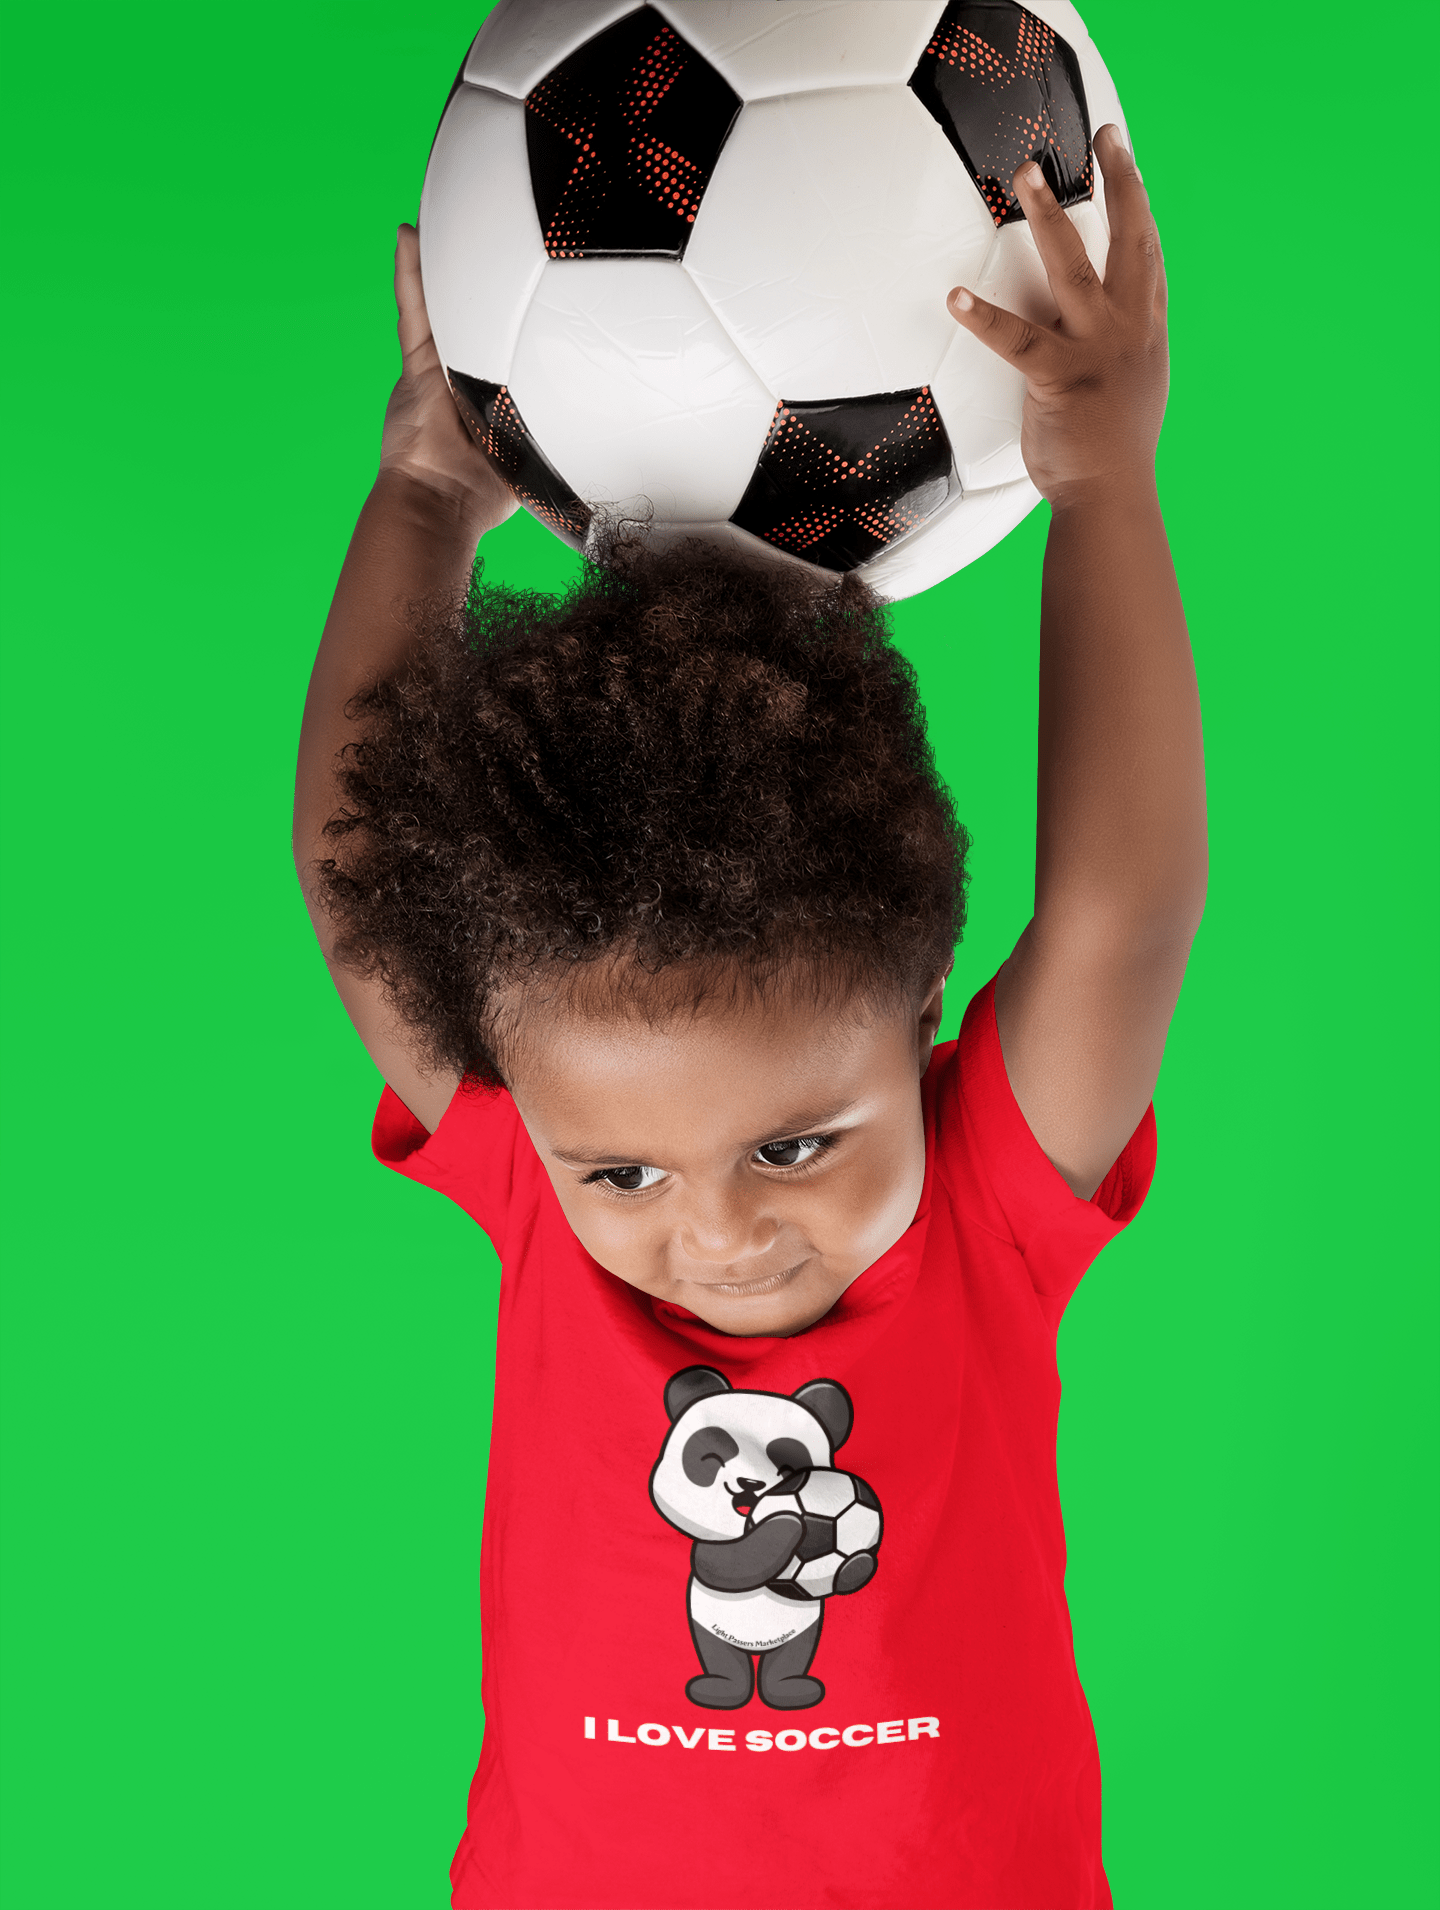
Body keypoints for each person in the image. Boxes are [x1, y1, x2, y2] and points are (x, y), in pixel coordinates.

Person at [294, 125, 1204, 1910]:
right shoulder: (546, 1201)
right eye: (619, 1170)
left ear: (920, 1016)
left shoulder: (988, 1203)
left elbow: (1121, 912)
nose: (712, 1230)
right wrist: (420, 491)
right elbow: (359, 884)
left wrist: (1106, 485)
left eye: (795, 1139)